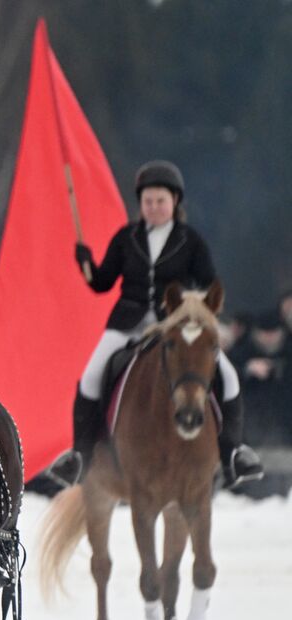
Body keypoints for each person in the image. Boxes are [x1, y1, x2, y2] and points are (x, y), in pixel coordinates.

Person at [50, 160, 263, 487]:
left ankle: (234, 451)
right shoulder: (125, 237)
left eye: (160, 201)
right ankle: (80, 455)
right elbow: (103, 283)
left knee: (228, 375)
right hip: (128, 323)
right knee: (90, 375)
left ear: (174, 201)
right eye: (147, 201)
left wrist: (189, 309)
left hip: (174, 326)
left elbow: (207, 284)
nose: (153, 207)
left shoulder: (190, 240)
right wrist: (86, 264)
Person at [227, 309, 291, 448]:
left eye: (273, 334)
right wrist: (247, 370)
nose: (268, 339)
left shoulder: (288, 349)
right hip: (250, 418)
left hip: (285, 417)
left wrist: (278, 369)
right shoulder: (242, 350)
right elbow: (226, 377)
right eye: (264, 334)